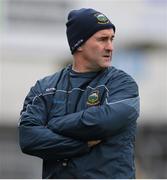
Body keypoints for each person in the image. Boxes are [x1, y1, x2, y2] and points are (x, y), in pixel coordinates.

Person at [19, 8, 140, 179]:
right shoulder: (44, 88)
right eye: (102, 39)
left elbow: (102, 122)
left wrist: (53, 124)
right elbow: (28, 139)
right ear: (79, 43)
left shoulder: (122, 83)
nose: (110, 47)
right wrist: (82, 144)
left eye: (112, 39)